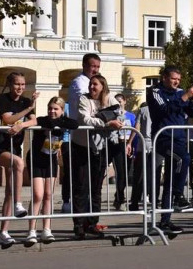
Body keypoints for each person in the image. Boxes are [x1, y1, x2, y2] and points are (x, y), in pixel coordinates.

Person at [10, 97, 79, 245]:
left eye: (56, 109)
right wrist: (21, 125)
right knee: (38, 195)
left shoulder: (63, 121)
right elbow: (35, 122)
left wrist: (59, 123)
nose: (52, 111)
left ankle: (47, 229)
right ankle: (32, 231)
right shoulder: (44, 120)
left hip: (51, 159)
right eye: (50, 108)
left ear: (62, 110)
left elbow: (75, 124)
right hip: (36, 159)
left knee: (48, 195)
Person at [147, 66, 193, 234]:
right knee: (183, 158)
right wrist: (184, 97)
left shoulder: (180, 92)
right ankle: (178, 195)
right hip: (163, 138)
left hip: (179, 138)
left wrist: (192, 99)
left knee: (170, 178)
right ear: (164, 78)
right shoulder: (155, 91)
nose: (176, 82)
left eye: (178, 79)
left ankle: (165, 221)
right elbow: (163, 110)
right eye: (173, 78)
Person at [72, 74, 122, 238]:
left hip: (100, 149)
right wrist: (105, 122)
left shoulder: (110, 99)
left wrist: (106, 116)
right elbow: (84, 119)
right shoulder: (84, 99)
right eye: (91, 84)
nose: (92, 87)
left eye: (95, 85)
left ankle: (92, 223)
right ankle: (79, 224)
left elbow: (119, 115)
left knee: (96, 188)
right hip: (82, 147)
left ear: (103, 87)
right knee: (81, 187)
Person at [0, 72, 38, 245]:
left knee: (9, 191)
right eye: (17, 84)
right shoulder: (1, 98)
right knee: (19, 163)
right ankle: (19, 204)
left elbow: (33, 121)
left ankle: (3, 231)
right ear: (10, 85)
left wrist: (22, 124)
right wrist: (26, 111)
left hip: (15, 147)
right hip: (0, 147)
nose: (20, 88)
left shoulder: (27, 101)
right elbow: (7, 119)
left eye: (23, 84)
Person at [63, 53, 101, 214]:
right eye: (93, 66)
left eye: (98, 67)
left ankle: (91, 216)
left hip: (94, 138)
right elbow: (89, 103)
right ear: (85, 66)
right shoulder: (79, 83)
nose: (95, 70)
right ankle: (79, 216)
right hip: (80, 136)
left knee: (94, 181)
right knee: (80, 179)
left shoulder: (95, 82)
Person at [111, 94, 136, 211]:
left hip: (128, 144)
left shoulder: (131, 116)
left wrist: (132, 145)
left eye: (120, 101)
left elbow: (135, 131)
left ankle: (118, 195)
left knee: (126, 173)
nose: (119, 104)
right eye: (116, 102)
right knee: (120, 172)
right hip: (117, 145)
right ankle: (121, 199)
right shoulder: (113, 116)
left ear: (125, 101)